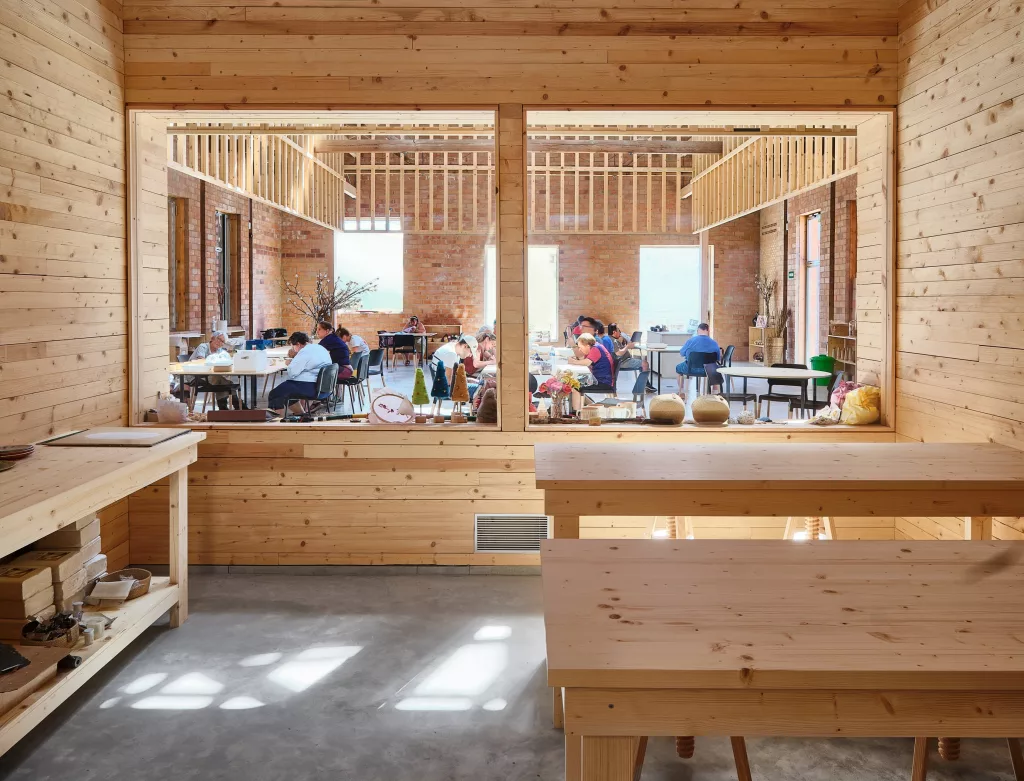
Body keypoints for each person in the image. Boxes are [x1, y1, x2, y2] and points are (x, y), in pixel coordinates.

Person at [268, 332, 332, 414]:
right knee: (286, 391)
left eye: (293, 346)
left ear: (298, 344)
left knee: (275, 394)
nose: (293, 349)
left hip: (312, 387)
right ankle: (302, 414)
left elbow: (292, 373)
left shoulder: (304, 352)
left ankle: (278, 420)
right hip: (325, 387)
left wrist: (290, 363)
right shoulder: (320, 348)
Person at [188, 330, 242, 410]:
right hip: (196, 376)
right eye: (219, 339)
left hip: (211, 376)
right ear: (212, 338)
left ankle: (225, 407)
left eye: (223, 342)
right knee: (225, 382)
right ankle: (237, 406)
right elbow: (201, 362)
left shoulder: (220, 351)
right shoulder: (203, 347)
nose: (220, 343)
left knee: (220, 380)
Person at [567, 333, 615, 411]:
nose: (580, 350)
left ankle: (576, 412)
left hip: (603, 382)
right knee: (573, 383)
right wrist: (576, 359)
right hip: (600, 379)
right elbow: (583, 359)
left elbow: (587, 362)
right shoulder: (595, 347)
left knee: (575, 387)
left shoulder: (596, 349)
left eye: (580, 347)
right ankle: (591, 405)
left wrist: (573, 362)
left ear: (587, 345)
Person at [675, 323, 721, 397]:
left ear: (698, 330)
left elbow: (682, 353)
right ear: (708, 330)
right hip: (708, 370)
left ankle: (682, 392)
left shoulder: (690, 341)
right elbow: (718, 358)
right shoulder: (714, 343)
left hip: (691, 369)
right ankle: (715, 394)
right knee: (714, 368)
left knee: (678, 368)